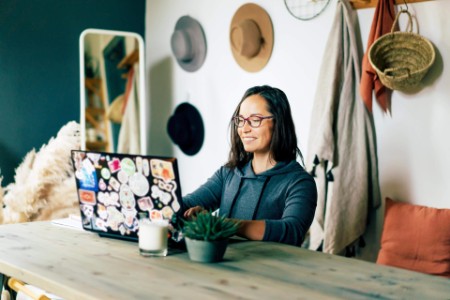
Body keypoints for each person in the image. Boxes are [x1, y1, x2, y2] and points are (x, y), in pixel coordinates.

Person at [182, 85, 317, 246]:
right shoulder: (228, 173)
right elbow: (186, 205)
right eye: (240, 120)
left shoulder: (300, 182)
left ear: (278, 122)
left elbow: (291, 231)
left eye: (255, 120)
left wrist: (222, 224)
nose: (244, 129)